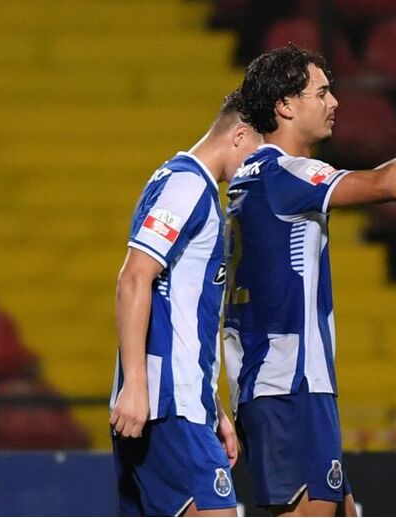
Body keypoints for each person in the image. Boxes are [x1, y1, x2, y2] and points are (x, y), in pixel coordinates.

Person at [222, 44, 396, 516]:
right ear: (285, 105)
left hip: (274, 384)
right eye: (321, 92)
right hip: (291, 386)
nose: (335, 102)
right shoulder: (287, 174)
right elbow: (389, 184)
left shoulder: (252, 174)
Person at [109, 90, 263, 516]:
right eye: (256, 154)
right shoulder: (189, 186)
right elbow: (134, 278)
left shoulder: (175, 180)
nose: (256, 170)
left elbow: (178, 306)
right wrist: (136, 386)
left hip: (179, 403)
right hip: (169, 408)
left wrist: (213, 406)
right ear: (239, 135)